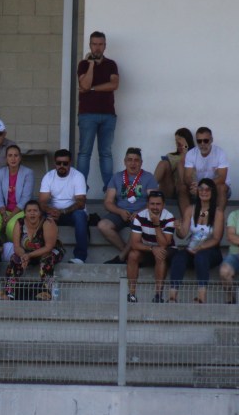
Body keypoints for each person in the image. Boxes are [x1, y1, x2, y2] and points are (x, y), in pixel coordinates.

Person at [168, 178, 225, 304]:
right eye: (201, 189)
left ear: (213, 192)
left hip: (211, 251)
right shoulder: (190, 209)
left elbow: (216, 239)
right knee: (178, 257)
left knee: (201, 257)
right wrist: (178, 228)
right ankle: (172, 296)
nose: (204, 192)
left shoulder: (218, 212)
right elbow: (182, 235)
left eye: (207, 189)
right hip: (192, 248)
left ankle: (201, 298)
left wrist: (201, 247)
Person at [98, 147, 159, 265]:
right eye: (129, 160)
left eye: (136, 160)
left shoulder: (148, 177)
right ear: (124, 162)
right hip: (120, 213)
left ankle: (121, 257)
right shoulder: (117, 177)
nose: (133, 163)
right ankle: (128, 254)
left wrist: (140, 212)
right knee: (103, 225)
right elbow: (108, 202)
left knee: (139, 224)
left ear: (141, 162)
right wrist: (120, 211)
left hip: (141, 214)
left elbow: (155, 202)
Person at [76, 31, 120, 190]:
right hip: (87, 114)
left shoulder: (111, 64)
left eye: (100, 44)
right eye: (94, 44)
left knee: (106, 153)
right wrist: (91, 65)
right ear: (90, 45)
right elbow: (84, 85)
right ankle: (81, 189)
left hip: (108, 115)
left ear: (105, 46)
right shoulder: (83, 64)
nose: (97, 47)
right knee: (84, 153)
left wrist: (92, 89)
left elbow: (114, 85)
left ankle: (109, 190)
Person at [0, 200, 64, 301]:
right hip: (28, 253)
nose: (32, 213)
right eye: (29, 211)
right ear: (25, 213)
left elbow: (49, 247)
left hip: (51, 251)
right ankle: (9, 292)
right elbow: (17, 247)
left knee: (46, 257)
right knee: (15, 258)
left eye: (35, 211)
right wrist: (23, 256)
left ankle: (46, 291)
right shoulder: (19, 223)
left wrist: (29, 255)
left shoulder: (48, 223)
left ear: (40, 213)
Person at [38, 149, 88, 264]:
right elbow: (42, 202)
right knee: (37, 212)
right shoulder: (48, 176)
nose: (61, 166)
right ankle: (41, 252)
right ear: (54, 163)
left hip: (71, 213)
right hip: (54, 213)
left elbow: (81, 203)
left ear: (70, 163)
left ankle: (80, 257)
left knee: (80, 215)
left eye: (65, 163)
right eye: (58, 163)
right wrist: (50, 210)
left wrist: (63, 211)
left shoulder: (78, 176)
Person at [125, 190, 176, 303]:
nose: (155, 207)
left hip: (167, 249)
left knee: (160, 253)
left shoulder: (169, 217)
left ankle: (158, 295)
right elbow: (134, 243)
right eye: (152, 204)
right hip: (148, 248)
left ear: (163, 205)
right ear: (147, 204)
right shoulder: (140, 216)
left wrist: (156, 224)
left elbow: (164, 244)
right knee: (132, 255)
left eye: (158, 204)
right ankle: (132, 294)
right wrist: (152, 248)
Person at [0, 144, 34, 253]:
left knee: (11, 226)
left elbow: (25, 199)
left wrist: (9, 217)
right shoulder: (0, 173)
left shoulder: (28, 173)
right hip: (4, 210)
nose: (13, 158)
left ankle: (13, 251)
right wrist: (4, 214)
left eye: (16, 155)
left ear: (20, 158)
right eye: (10, 155)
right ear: (6, 158)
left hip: (20, 210)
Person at [182, 127, 229, 209]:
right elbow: (187, 177)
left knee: (222, 187)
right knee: (182, 188)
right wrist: (194, 185)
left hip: (215, 186)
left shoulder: (220, 153)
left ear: (211, 140)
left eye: (206, 140)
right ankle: (186, 216)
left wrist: (203, 186)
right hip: (198, 187)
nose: (202, 144)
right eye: (199, 141)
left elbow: (222, 178)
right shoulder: (191, 154)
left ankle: (218, 215)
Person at [154, 128, 194, 216]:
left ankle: (187, 219)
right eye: (176, 140)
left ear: (187, 139)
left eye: (179, 139)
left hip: (186, 188)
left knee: (181, 165)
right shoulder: (171, 156)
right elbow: (167, 172)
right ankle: (149, 187)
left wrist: (185, 153)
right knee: (163, 163)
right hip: (171, 188)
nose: (177, 142)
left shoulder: (196, 155)